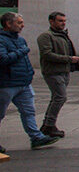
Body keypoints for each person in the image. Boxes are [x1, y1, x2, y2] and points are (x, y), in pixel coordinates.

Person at [0, 12, 60, 152]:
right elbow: (3, 59)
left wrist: (30, 73)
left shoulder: (20, 40)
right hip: (6, 84)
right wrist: (22, 51)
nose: (23, 25)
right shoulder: (2, 40)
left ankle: (36, 137)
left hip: (23, 83)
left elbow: (24, 60)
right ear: (8, 24)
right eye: (19, 23)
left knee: (28, 111)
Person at [36, 11, 79, 138]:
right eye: (60, 21)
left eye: (64, 21)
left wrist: (76, 59)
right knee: (60, 97)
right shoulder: (46, 36)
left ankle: (47, 124)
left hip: (64, 71)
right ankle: (49, 125)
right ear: (51, 22)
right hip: (53, 72)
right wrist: (69, 59)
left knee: (56, 98)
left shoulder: (62, 35)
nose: (63, 23)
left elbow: (66, 52)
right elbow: (47, 54)